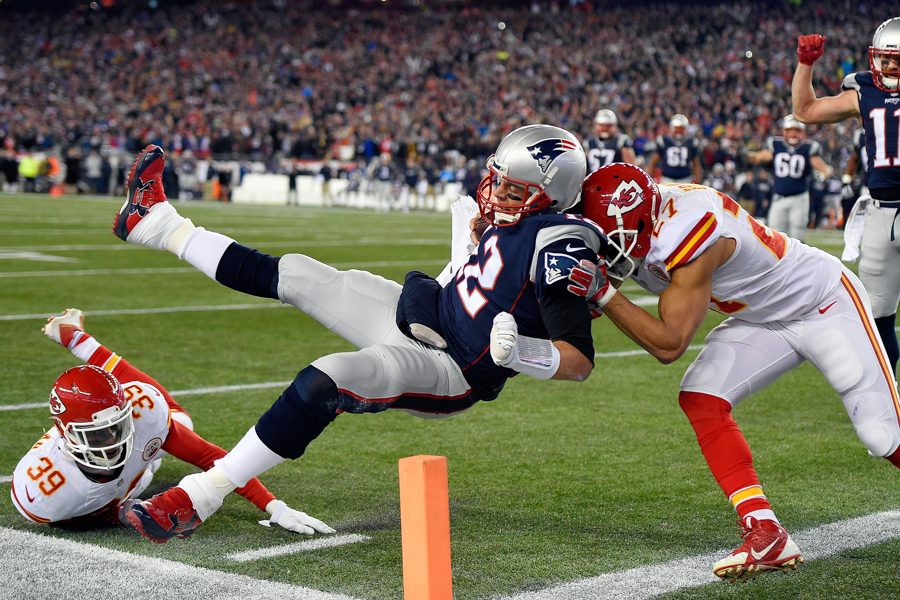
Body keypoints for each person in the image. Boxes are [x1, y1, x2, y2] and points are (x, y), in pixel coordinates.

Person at [112, 125, 604, 542]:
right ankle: (155, 223)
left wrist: (520, 352)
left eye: (512, 190)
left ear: (550, 197)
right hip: (424, 312)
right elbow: (499, 272)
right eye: (496, 181)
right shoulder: (510, 221)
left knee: (329, 378)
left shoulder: (562, 242)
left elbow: (578, 361)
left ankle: (200, 496)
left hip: (450, 366)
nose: (495, 194)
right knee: (301, 274)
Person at [566, 163, 900, 581]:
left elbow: (669, 343)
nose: (605, 248)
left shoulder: (689, 228)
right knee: (701, 397)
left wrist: (603, 292)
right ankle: (766, 531)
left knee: (882, 435)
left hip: (823, 302)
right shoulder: (645, 214)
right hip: (761, 318)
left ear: (634, 220)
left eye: (609, 236)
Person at [11, 308, 333, 536]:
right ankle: (73, 337)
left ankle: (76, 338)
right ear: (66, 435)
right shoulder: (43, 487)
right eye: (98, 435)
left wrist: (273, 505)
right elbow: (68, 517)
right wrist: (118, 514)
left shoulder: (140, 414)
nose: (114, 438)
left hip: (134, 478)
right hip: (126, 488)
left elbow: (214, 458)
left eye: (118, 425)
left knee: (174, 417)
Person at [791, 18, 900, 375]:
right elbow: (804, 112)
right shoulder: (864, 90)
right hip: (881, 212)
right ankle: (888, 395)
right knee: (877, 311)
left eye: (898, 58)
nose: (891, 66)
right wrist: (805, 65)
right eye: (886, 59)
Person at [745, 115, 833, 241]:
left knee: (797, 236)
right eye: (790, 130)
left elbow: (821, 166)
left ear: (802, 132)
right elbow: (762, 156)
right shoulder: (776, 145)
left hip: (799, 198)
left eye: (797, 130)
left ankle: (797, 261)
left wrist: (825, 172)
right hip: (779, 198)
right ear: (784, 131)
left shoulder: (808, 148)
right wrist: (750, 155)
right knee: (775, 236)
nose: (793, 134)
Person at [647, 114, 702, 184]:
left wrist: (698, 181)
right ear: (671, 128)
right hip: (667, 179)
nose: (679, 131)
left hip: (685, 179)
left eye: (681, 128)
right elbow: (653, 161)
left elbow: (696, 164)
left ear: (686, 129)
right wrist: (649, 180)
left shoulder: (691, 142)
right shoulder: (664, 141)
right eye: (676, 128)